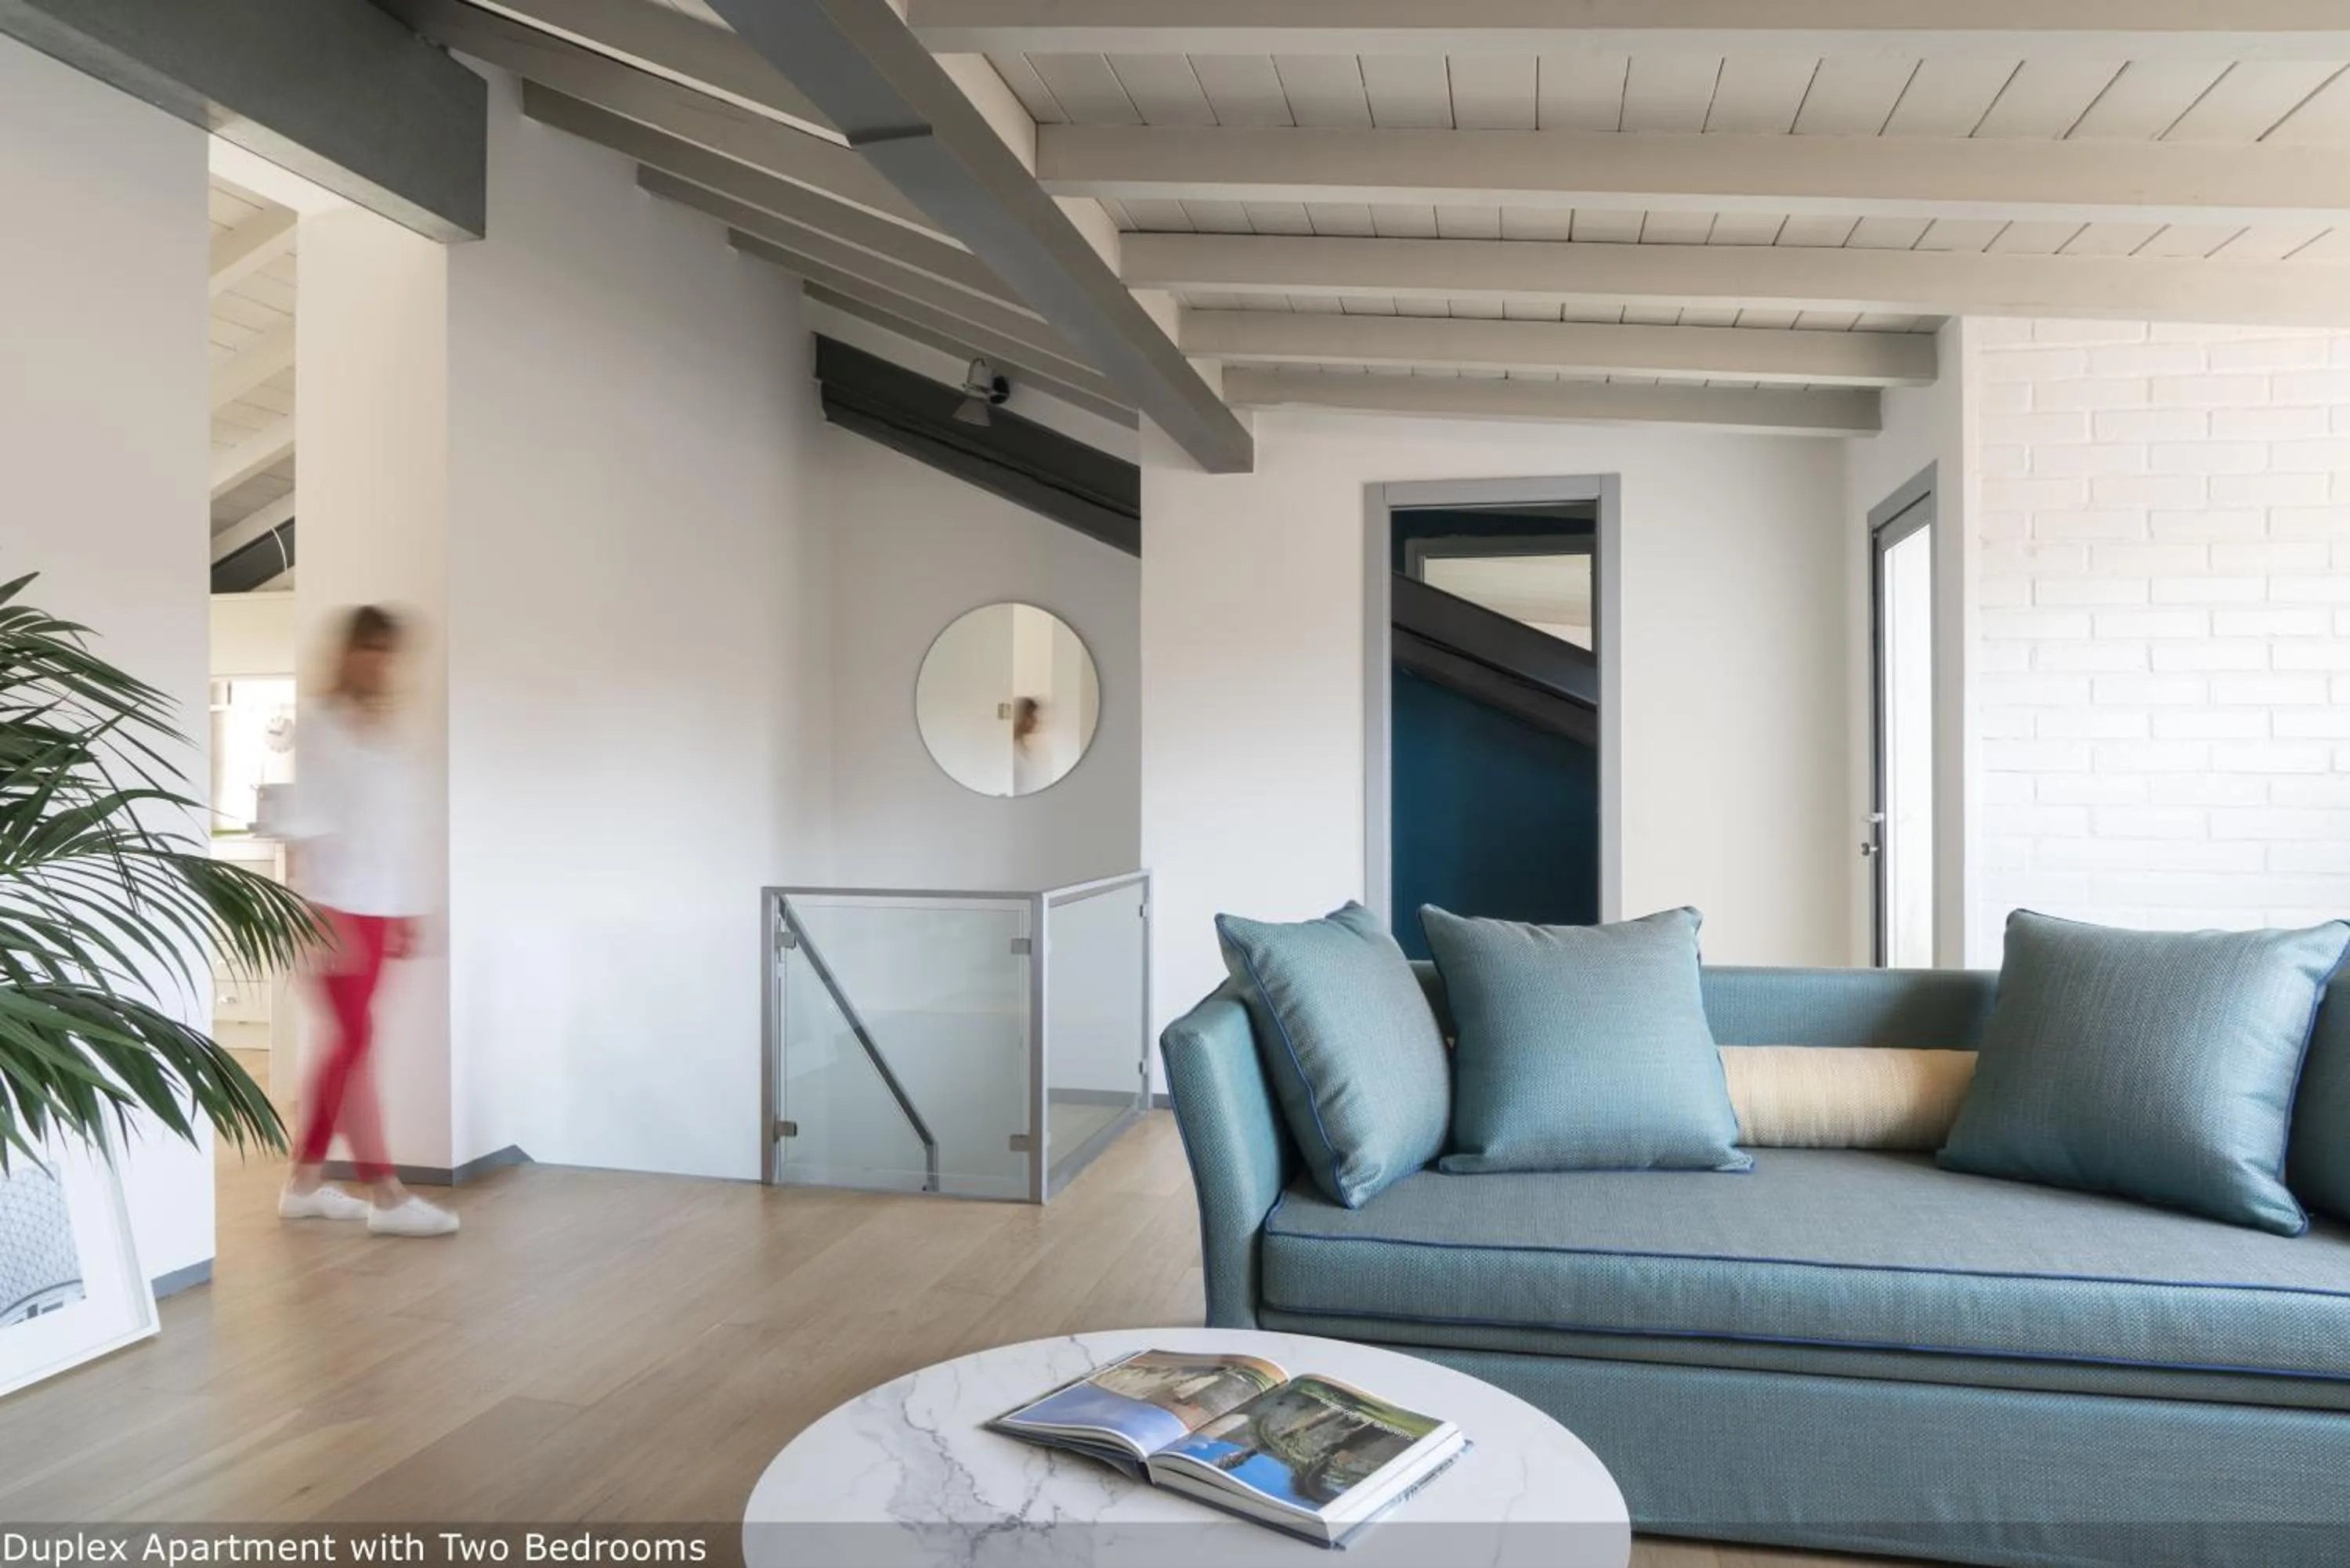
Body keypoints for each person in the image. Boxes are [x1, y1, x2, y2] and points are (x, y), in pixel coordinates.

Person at [275, 606, 458, 1237]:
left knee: (347, 1046)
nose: (379, 662)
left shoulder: (387, 730)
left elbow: (394, 827)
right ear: (348, 652)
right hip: (335, 909)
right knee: (355, 1045)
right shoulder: (320, 724)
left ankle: (303, 1185)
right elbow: (303, 826)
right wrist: (320, 913)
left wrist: (407, 909)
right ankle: (385, 1191)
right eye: (369, 648)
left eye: (388, 651)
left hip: (379, 908)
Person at [1010, 695, 1054, 796]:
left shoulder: (1036, 746)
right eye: (1031, 716)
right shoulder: (1010, 749)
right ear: (1021, 717)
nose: (1036, 721)